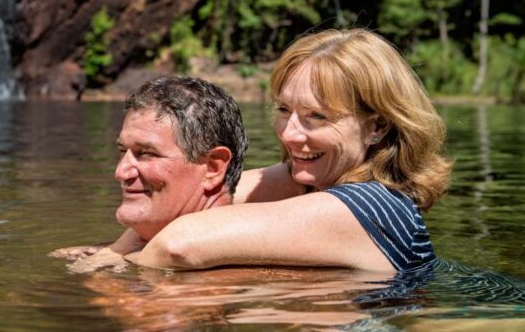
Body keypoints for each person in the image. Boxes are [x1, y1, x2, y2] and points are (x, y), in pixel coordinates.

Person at [123, 28, 452, 272]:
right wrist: (111, 250)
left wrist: (109, 273)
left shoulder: (377, 206)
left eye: (316, 116)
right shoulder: (315, 180)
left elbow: (179, 243)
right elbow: (188, 201)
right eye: (283, 110)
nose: (290, 134)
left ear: (376, 127)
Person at [50, 76, 248, 270]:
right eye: (122, 152)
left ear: (212, 168)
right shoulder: (120, 252)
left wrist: (107, 286)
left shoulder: (224, 277)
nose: (121, 172)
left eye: (146, 153)